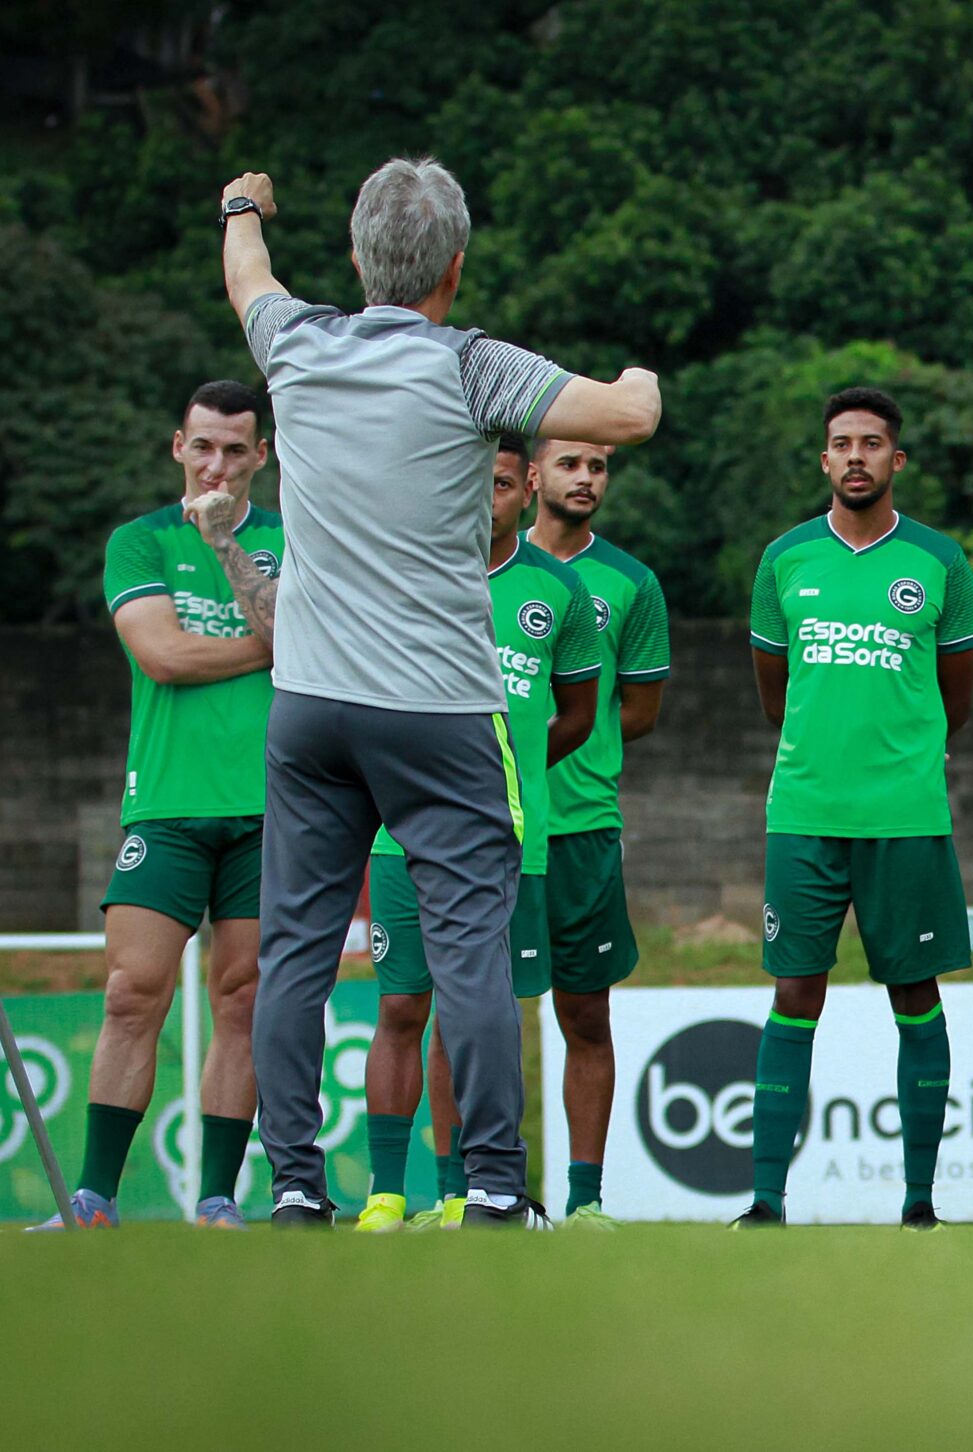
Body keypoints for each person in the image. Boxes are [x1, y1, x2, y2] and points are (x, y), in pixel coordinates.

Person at [219, 159, 658, 1227]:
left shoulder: (297, 344)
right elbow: (624, 418)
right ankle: (498, 1188)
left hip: (311, 705)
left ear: (362, 261)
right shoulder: (473, 368)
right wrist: (642, 374)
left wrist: (243, 206)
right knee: (468, 949)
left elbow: (245, 271)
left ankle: (293, 1187)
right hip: (437, 711)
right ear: (454, 267)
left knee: (298, 950)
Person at [29, 383, 282, 1232]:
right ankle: (93, 1199)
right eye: (203, 446)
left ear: (262, 457)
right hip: (167, 806)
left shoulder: (293, 539)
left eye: (235, 451)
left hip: (270, 808)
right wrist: (272, 643)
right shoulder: (138, 540)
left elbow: (310, 635)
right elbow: (163, 654)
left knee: (241, 999)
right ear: (179, 445)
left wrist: (236, 565)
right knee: (133, 991)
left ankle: (216, 1200)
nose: (217, 465)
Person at [735, 388, 973, 1230]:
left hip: (905, 818)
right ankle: (766, 1201)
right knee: (794, 992)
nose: (856, 458)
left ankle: (920, 1204)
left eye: (872, 444)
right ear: (823, 458)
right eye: (841, 444)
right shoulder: (785, 559)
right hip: (803, 811)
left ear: (896, 460)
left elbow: (957, 696)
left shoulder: (939, 561)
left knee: (914, 995)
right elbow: (776, 691)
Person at [354, 437, 599, 1232]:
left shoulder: (558, 593)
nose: (482, 498)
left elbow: (579, 715)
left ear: (528, 488)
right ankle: (387, 1195)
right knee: (401, 1007)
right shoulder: (410, 580)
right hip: (403, 838)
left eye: (497, 483)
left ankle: (467, 1190)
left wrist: (512, 774)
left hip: (509, 843)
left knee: (481, 1014)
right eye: (468, 483)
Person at [524, 434, 672, 1226]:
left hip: (583, 824)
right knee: (473, 1015)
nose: (585, 479)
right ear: (533, 472)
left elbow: (638, 712)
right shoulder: (480, 565)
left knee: (586, 1015)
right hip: (492, 827)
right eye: (570, 464)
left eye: (599, 466)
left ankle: (585, 1202)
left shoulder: (632, 583)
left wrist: (579, 749)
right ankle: (470, 1192)